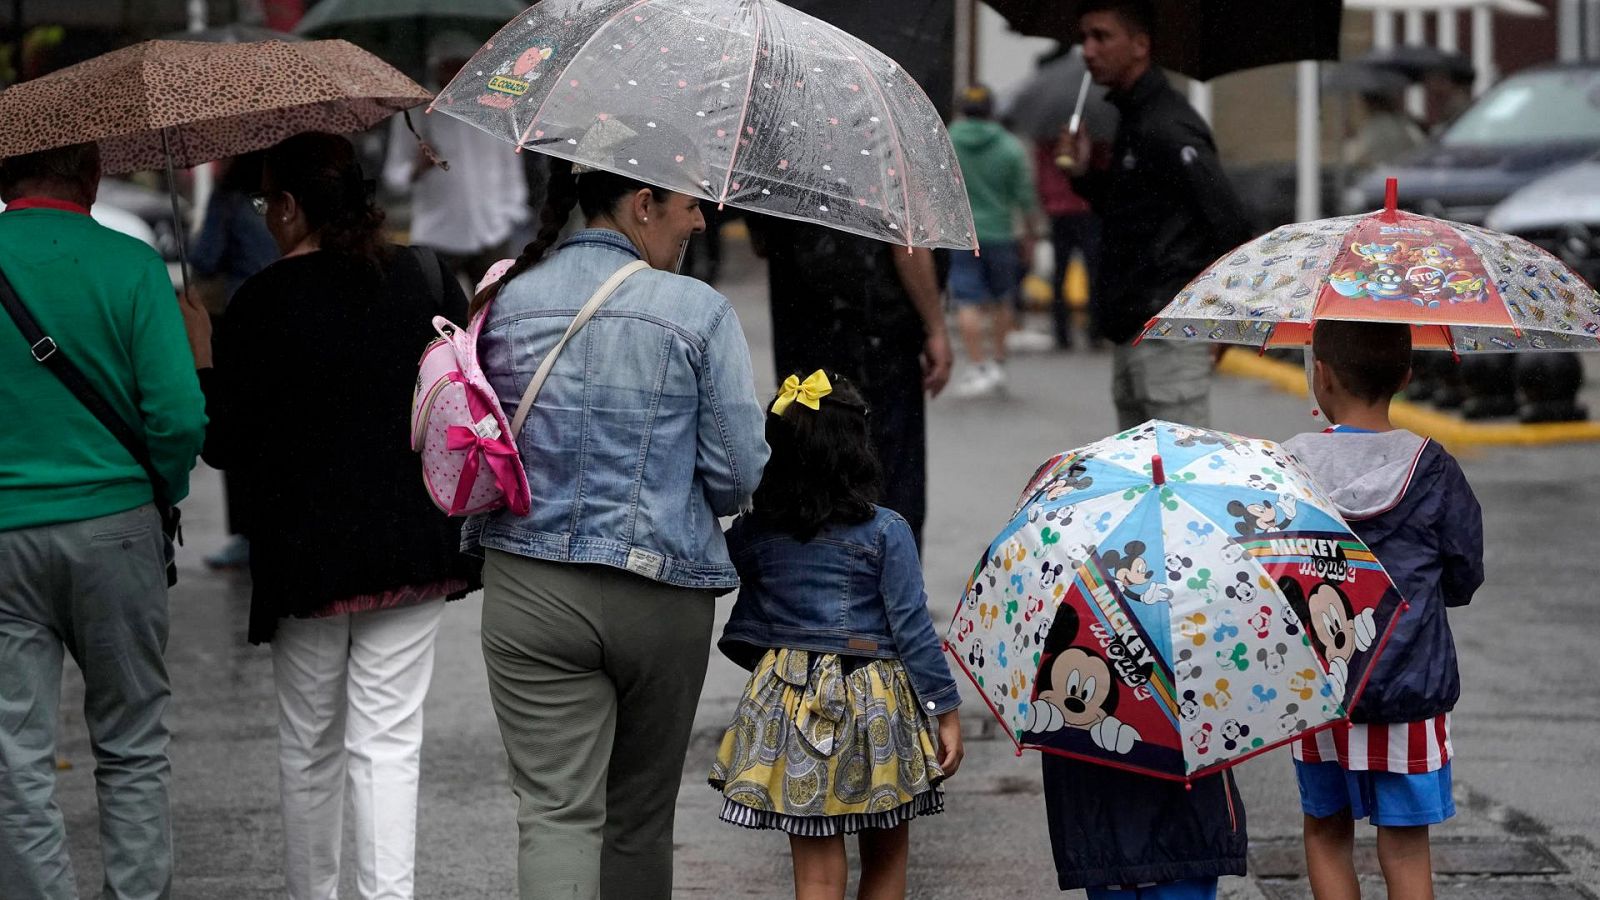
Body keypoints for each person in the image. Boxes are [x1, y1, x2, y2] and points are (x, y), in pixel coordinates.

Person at [179, 131, 478, 900]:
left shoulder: (259, 302)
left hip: (306, 559)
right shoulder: (422, 276)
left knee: (309, 745)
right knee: (388, 743)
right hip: (412, 546)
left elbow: (226, 447)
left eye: (264, 201)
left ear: (286, 207)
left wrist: (205, 356)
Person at [469, 157, 769, 899]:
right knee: (638, 818)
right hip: (660, 593)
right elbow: (739, 473)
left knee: (554, 815)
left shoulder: (503, 299)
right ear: (643, 203)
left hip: (528, 590)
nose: (702, 222)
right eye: (691, 206)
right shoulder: (698, 311)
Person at [0, 141, 207, 900]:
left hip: (3, 534)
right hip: (118, 526)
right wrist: (164, 487)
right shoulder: (131, 265)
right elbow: (180, 417)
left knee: (12, 757)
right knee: (131, 743)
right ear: (90, 177)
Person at [709, 371, 963, 900]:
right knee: (887, 858)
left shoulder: (756, 533)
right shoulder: (887, 530)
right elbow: (914, 631)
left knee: (818, 876)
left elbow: (708, 569)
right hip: (877, 702)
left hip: (789, 702)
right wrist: (946, 711)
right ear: (857, 452)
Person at [1284, 321, 1484, 900]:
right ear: (1405, 375)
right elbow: (1464, 571)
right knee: (1404, 844)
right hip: (1410, 688)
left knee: (1325, 831)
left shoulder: (1289, 467)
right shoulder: (1434, 468)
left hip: (1319, 689)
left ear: (1319, 374)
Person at [1070, 0, 1251, 429]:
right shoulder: (1133, 117)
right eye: (1084, 38)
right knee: (1141, 482)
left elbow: (1229, 224)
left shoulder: (1167, 125)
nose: (1088, 50)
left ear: (1140, 45)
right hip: (1133, 328)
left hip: (1168, 332)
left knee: (1177, 478)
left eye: (1101, 36)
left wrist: (1226, 318)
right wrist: (1083, 175)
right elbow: (1133, 213)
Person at [753, 219, 952, 548]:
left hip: (803, 338)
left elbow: (761, 242)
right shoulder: (889, 169)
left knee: (808, 470)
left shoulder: (780, 170)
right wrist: (936, 327)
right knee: (888, 474)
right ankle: (884, 581)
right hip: (875, 335)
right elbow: (907, 246)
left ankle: (812, 576)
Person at [187, 151, 278, 571]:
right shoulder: (281, 196)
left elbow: (206, 258)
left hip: (242, 323)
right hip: (292, 317)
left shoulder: (229, 201)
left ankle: (246, 535)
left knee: (241, 428)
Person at [382, 31, 530, 288]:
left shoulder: (494, 106)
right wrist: (416, 169)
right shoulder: (416, 112)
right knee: (436, 314)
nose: (454, 75)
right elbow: (394, 178)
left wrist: (511, 212)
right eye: (448, 67)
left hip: (491, 231)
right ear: (436, 67)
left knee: (493, 311)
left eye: (461, 67)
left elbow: (510, 168)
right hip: (438, 234)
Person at [948, 84, 1046, 398]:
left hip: (963, 233)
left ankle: (977, 365)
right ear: (992, 111)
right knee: (1001, 297)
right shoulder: (1010, 147)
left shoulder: (948, 141)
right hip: (1002, 233)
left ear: (963, 109)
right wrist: (1030, 235)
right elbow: (1025, 196)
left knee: (967, 300)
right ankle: (998, 362)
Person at [1035, 124, 1103, 350]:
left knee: (1062, 274)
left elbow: (1042, 173)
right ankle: (1092, 331)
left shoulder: (1047, 138)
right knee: (1090, 272)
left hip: (1062, 210)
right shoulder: (1093, 135)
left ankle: (1063, 333)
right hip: (1083, 210)